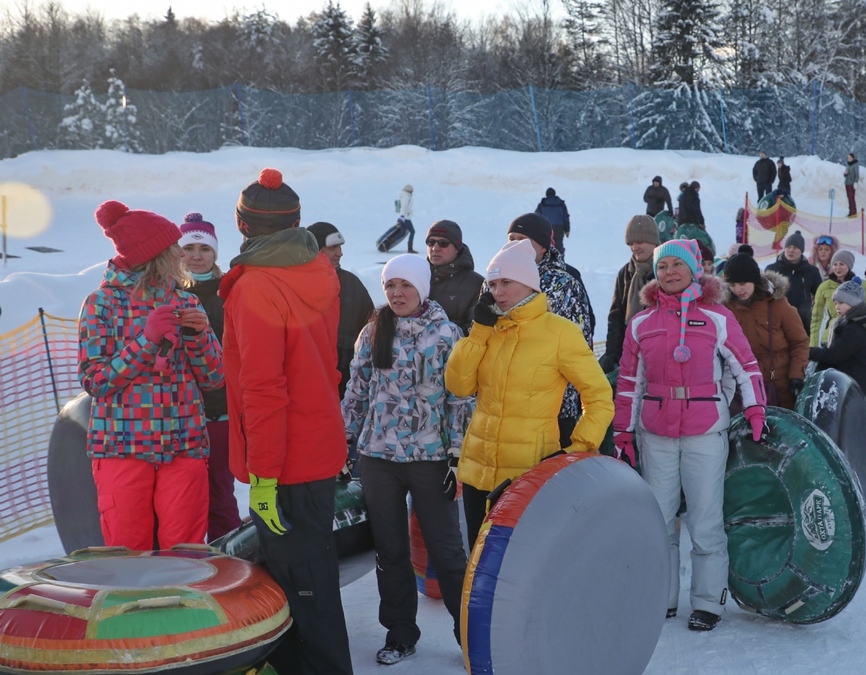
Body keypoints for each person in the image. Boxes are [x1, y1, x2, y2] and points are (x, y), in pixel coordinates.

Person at [221, 168, 353, 674]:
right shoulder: (318, 269)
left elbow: (264, 389)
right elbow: (326, 363)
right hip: (315, 444)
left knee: (304, 585)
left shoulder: (257, 287)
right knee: (313, 578)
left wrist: (265, 476)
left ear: (242, 224)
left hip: (287, 460)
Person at [612, 238, 767, 632]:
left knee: (705, 519)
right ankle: (660, 596)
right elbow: (629, 382)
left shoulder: (717, 317)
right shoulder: (642, 323)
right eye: (662, 267)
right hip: (657, 431)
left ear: (694, 269)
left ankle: (707, 602)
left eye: (677, 265)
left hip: (704, 431)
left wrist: (754, 409)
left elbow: (746, 366)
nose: (669, 273)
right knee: (659, 519)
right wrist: (624, 434)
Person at [342, 254, 471, 664]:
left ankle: (469, 633)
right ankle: (400, 633)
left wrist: (456, 454)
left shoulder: (448, 334)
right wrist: (344, 442)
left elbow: (460, 399)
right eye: (390, 286)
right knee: (390, 549)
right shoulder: (373, 330)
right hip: (378, 457)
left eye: (405, 285)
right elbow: (357, 392)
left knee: (447, 550)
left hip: (431, 459)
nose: (396, 293)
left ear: (422, 288)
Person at [447, 239, 613, 545]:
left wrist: (578, 447)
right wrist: (479, 332)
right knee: (479, 567)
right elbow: (458, 386)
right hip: (477, 473)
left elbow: (600, 397)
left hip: (527, 476)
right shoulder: (488, 331)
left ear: (529, 284)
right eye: (493, 284)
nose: (499, 292)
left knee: (519, 569)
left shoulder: (561, 333)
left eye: (507, 282)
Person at [80, 200, 223, 551]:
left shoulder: (186, 301)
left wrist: (199, 338)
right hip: (121, 446)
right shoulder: (102, 303)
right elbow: (96, 381)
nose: (182, 254)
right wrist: (146, 340)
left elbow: (215, 378)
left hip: (184, 444)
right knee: (129, 550)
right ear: (153, 254)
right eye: (173, 247)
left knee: (185, 551)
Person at [505, 213, 596, 446]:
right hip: (507, 403)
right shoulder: (496, 279)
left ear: (543, 247)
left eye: (522, 240)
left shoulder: (565, 283)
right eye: (511, 238)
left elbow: (580, 344)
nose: (514, 245)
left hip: (554, 405)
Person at [179, 212, 240, 541]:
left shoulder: (228, 291)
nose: (197, 256)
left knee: (219, 490)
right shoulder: (169, 292)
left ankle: (230, 560)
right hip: (178, 413)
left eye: (204, 248)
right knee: (184, 497)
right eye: (189, 248)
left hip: (219, 408)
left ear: (214, 253)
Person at [723, 244, 810, 409]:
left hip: (780, 389)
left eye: (742, 283)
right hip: (742, 390)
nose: (737, 290)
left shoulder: (777, 303)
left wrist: (797, 375)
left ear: (754, 280)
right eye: (732, 285)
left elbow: (799, 342)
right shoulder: (725, 307)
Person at [308, 221, 374, 400]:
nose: (340, 253)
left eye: (340, 247)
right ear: (315, 249)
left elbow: (372, 330)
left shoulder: (351, 284)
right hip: (307, 382)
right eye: (333, 248)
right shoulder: (297, 285)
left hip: (347, 385)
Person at [809, 279, 866, 424]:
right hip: (863, 384)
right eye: (836, 302)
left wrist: (806, 351)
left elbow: (834, 355)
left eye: (841, 303)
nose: (836, 306)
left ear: (854, 303)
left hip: (860, 387)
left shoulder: (856, 329)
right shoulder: (859, 323)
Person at [599, 215, 659, 372]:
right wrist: (612, 354)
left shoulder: (665, 271)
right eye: (631, 243)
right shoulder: (625, 272)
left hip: (656, 354)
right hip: (628, 352)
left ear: (653, 241)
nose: (634, 247)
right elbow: (616, 317)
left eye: (639, 242)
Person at [425, 220, 484, 335]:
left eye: (443, 243)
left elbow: (474, 330)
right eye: (431, 242)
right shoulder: (416, 276)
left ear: (457, 248)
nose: (435, 248)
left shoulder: (476, 283)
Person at [811, 249, 866, 346]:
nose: (838, 268)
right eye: (835, 264)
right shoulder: (824, 287)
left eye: (841, 264)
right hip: (831, 338)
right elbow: (816, 318)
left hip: (857, 337)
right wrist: (813, 346)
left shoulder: (864, 286)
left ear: (849, 265)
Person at [765, 230, 823, 327]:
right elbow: (764, 295)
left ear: (801, 251)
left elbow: (820, 296)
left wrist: (812, 313)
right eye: (788, 247)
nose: (791, 250)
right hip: (777, 320)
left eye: (795, 248)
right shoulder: (772, 269)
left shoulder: (812, 271)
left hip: (803, 321)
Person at [535, 187, 570, 255]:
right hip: (559, 227)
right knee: (558, 245)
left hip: (546, 227)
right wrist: (567, 229)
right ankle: (560, 261)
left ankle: (548, 262)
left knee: (547, 244)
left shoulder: (542, 204)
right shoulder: (561, 204)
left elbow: (537, 217)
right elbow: (566, 217)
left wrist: (537, 229)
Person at [394, 183, 417, 253]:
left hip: (404, 217)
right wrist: (402, 217)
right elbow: (403, 207)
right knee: (412, 231)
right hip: (406, 218)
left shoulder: (405, 195)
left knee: (402, 233)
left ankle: (388, 242)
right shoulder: (406, 196)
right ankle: (410, 248)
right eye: (411, 190)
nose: (412, 191)